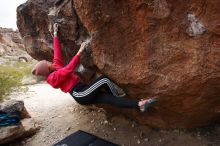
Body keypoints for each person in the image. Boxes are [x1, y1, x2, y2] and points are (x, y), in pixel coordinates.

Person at [32, 23, 157, 112]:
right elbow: (68, 69)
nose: (49, 62)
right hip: (80, 94)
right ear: (47, 69)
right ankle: (121, 96)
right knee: (104, 80)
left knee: (110, 100)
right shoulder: (53, 78)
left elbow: (57, 53)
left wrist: (55, 34)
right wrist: (79, 52)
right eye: (47, 63)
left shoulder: (55, 67)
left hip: (84, 89)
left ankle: (139, 104)